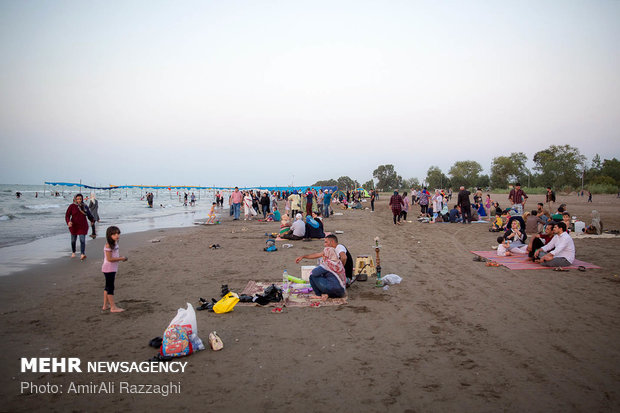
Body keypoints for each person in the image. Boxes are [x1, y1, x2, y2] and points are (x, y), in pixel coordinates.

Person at [295, 235, 347, 300]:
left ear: (332, 242)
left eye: (326, 242)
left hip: (332, 288)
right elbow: (317, 255)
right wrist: (303, 256)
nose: (324, 244)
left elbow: (314, 273)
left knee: (313, 276)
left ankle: (319, 294)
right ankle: (328, 294)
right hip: (341, 291)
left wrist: (322, 265)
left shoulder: (337, 249)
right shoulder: (338, 262)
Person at [101, 226, 128, 313]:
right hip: (108, 268)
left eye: (118, 233)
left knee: (107, 286)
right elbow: (109, 259)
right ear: (109, 235)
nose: (117, 235)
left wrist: (120, 258)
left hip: (112, 268)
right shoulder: (108, 245)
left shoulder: (115, 243)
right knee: (110, 287)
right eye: (114, 234)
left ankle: (105, 305)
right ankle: (113, 307)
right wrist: (121, 258)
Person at [65, 193, 94, 261]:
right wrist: (68, 222)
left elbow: (89, 214)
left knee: (82, 240)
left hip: (82, 225)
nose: (79, 200)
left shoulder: (84, 206)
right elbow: (67, 215)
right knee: (73, 240)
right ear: (75, 199)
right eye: (77, 199)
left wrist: (92, 220)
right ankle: (73, 252)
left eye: (80, 199)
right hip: (74, 226)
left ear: (82, 199)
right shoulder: (71, 206)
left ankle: (82, 254)